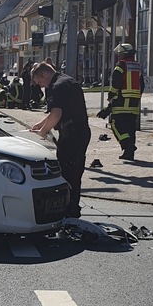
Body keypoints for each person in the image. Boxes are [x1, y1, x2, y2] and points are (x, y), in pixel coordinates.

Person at [30, 60, 91, 218]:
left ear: (45, 74)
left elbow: (56, 114)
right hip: (81, 131)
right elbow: (57, 113)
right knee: (76, 171)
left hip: (71, 135)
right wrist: (40, 124)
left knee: (68, 173)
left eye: (40, 82)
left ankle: (70, 210)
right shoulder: (67, 81)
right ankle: (72, 207)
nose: (41, 86)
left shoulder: (56, 87)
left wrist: (43, 132)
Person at [100, 42, 144, 161]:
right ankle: (129, 154)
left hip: (121, 101)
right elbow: (142, 85)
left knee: (116, 124)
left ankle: (128, 146)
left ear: (123, 54)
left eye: (119, 54)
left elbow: (116, 82)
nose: (118, 56)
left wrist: (111, 95)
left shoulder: (120, 65)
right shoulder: (137, 66)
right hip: (134, 102)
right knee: (130, 128)